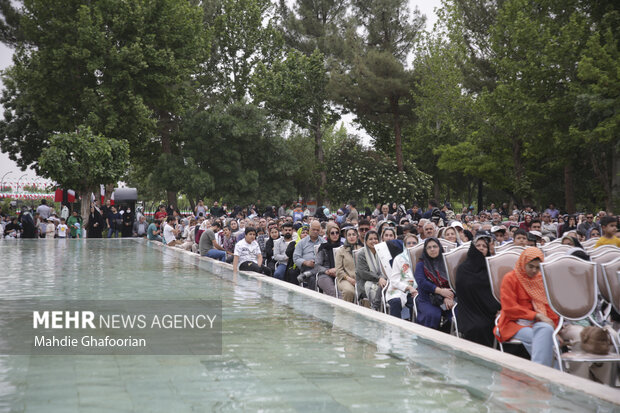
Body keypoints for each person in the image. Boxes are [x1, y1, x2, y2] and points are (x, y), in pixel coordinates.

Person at [495, 247, 559, 367]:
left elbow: (548, 307)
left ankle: (539, 373)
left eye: (537, 267)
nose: (534, 270)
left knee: (546, 331)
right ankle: (552, 374)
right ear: (523, 263)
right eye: (531, 266)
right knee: (546, 339)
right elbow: (510, 309)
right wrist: (536, 315)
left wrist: (555, 329)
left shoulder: (540, 279)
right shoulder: (510, 278)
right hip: (513, 323)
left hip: (537, 323)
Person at [454, 235, 500, 347]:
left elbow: (496, 290)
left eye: (484, 246)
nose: (481, 248)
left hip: (490, 309)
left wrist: (499, 308)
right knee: (478, 327)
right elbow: (464, 293)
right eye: (478, 245)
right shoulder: (463, 269)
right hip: (469, 310)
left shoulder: (491, 268)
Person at [413, 237, 454, 331]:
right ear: (425, 250)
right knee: (432, 315)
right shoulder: (421, 264)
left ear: (439, 247)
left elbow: (454, 282)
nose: (432, 249)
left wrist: (449, 297)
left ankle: (446, 337)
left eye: (435, 246)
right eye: (429, 247)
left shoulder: (447, 263)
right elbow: (421, 282)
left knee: (456, 315)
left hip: (448, 296)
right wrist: (440, 291)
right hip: (428, 298)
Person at [386, 237, 417, 320]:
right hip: (399, 288)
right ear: (404, 245)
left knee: (419, 302)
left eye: (414, 243)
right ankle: (396, 329)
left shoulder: (421, 259)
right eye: (409, 243)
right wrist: (408, 287)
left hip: (416, 289)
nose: (411, 245)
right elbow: (394, 280)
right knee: (396, 301)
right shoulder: (399, 258)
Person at [356, 230, 386, 310]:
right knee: (375, 292)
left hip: (383, 280)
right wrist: (378, 278)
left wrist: (382, 278)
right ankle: (375, 310)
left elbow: (386, 268)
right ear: (366, 241)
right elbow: (363, 273)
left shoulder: (382, 252)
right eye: (370, 239)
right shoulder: (361, 254)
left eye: (375, 238)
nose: (373, 241)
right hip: (365, 282)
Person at [314, 223, 343, 297]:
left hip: (340, 273)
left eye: (337, 233)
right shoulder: (323, 248)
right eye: (332, 233)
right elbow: (317, 265)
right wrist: (327, 271)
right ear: (328, 235)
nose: (335, 235)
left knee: (343, 293)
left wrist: (337, 269)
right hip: (324, 274)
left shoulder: (343, 247)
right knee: (333, 292)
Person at [294, 220, 324, 289]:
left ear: (320, 231)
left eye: (317, 230)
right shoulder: (301, 243)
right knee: (312, 279)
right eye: (313, 229)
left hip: (321, 268)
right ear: (310, 229)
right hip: (306, 267)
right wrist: (305, 262)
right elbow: (296, 258)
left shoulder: (324, 242)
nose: (315, 231)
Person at [335, 227, 362, 302]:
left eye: (353, 234)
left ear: (357, 236)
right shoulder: (341, 251)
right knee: (349, 291)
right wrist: (349, 279)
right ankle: (346, 313)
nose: (351, 237)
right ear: (346, 237)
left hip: (360, 279)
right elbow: (338, 270)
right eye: (349, 235)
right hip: (345, 279)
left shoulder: (361, 249)